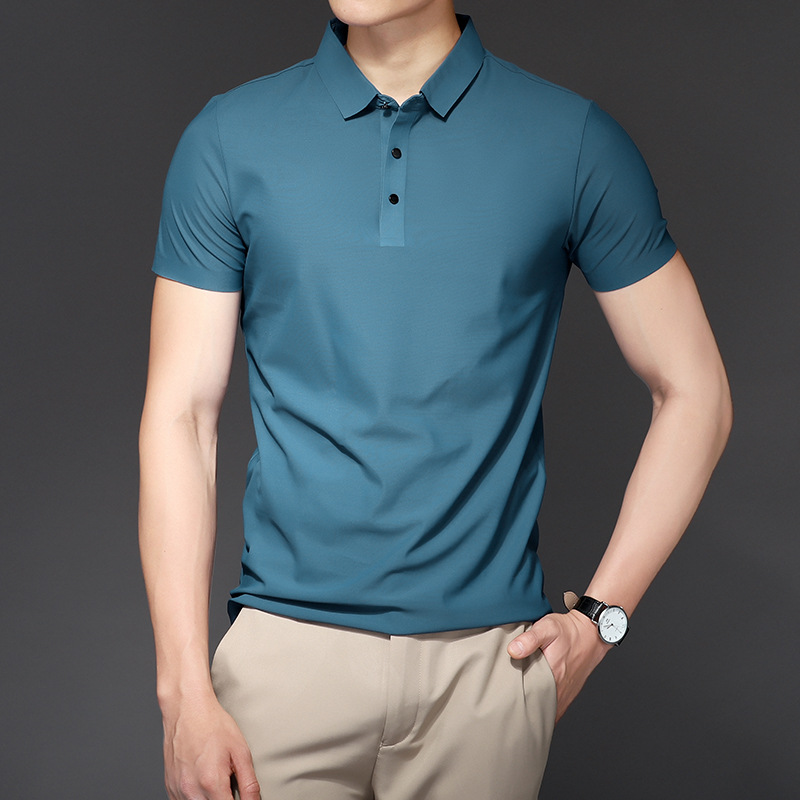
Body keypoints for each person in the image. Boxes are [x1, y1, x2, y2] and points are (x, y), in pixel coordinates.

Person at [138, 1, 732, 798]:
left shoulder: (572, 141)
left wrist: (602, 619)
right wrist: (182, 694)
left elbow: (697, 392)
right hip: (281, 666)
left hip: (486, 674)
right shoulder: (229, 137)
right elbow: (181, 417)